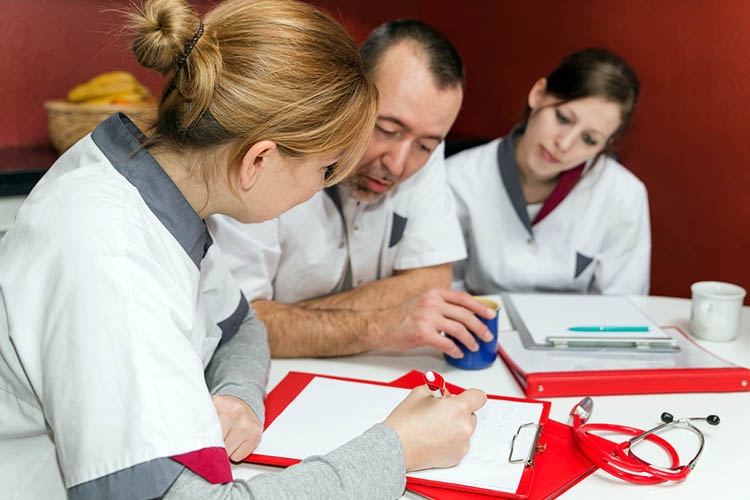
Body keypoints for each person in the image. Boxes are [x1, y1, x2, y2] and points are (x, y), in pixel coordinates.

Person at [0, 1, 486, 499]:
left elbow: (241, 326)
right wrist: (397, 450)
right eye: (324, 170)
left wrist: (237, 394)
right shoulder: (108, 257)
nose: (322, 187)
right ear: (259, 160)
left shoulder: (160, 191)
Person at [208, 20, 496, 359]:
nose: (399, 164)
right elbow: (238, 324)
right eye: (387, 129)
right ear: (349, 95)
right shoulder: (266, 156)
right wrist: (379, 325)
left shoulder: (420, 155)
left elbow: (431, 280)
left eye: (426, 145)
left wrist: (291, 318)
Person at [447, 48, 650, 295]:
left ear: (605, 146)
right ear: (538, 94)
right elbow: (442, 294)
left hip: (577, 332)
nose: (564, 145)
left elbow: (622, 310)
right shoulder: (456, 178)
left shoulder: (624, 195)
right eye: (563, 118)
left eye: (589, 139)